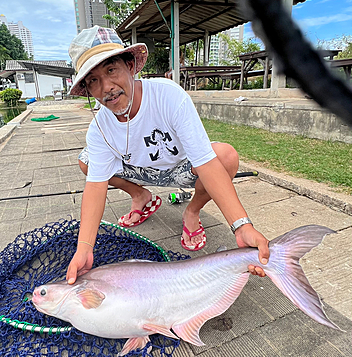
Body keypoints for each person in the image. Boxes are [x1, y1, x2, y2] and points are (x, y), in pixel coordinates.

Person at [66, 26, 269, 284]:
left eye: (111, 70)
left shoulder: (167, 95)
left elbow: (205, 162)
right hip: (139, 169)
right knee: (87, 162)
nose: (107, 87)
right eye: (93, 80)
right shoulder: (99, 128)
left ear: (130, 65)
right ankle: (140, 195)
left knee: (225, 156)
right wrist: (85, 247)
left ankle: (192, 211)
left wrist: (242, 226)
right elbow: (95, 186)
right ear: (87, 88)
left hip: (181, 168)